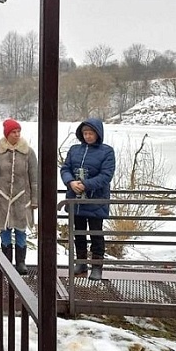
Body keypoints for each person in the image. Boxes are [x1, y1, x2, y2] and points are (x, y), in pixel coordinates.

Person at [0, 119, 38, 275]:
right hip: (1, 198)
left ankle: (21, 263)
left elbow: (34, 177)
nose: (17, 134)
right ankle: (6, 262)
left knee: (21, 231)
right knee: (5, 231)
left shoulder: (29, 152)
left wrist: (35, 199)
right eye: (13, 132)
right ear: (7, 133)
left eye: (18, 131)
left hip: (22, 199)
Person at [60, 118, 116, 281]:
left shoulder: (107, 151)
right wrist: (70, 182)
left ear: (98, 134)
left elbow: (106, 175)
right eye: (85, 133)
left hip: (95, 200)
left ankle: (97, 266)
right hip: (75, 200)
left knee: (96, 234)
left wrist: (85, 185)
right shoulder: (74, 149)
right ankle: (81, 262)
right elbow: (65, 168)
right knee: (79, 233)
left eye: (91, 133)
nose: (88, 136)